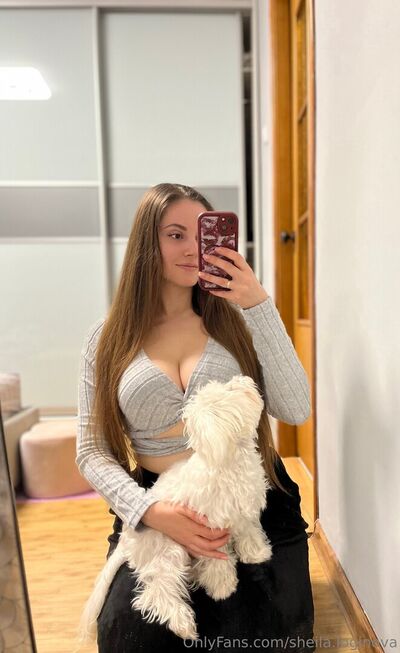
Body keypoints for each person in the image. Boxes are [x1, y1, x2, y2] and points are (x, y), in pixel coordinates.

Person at [76, 183, 316, 653]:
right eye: (175, 234)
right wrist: (151, 512)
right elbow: (91, 451)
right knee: (134, 634)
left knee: (259, 635)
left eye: (202, 232)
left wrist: (258, 304)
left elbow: (295, 409)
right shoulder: (106, 338)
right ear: (147, 243)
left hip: (250, 499)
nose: (192, 248)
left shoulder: (238, 319)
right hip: (156, 500)